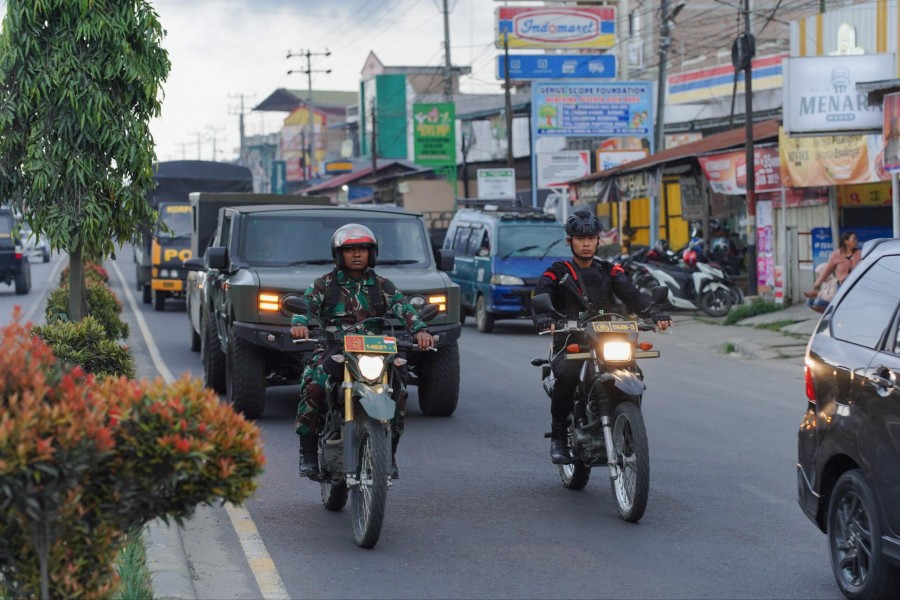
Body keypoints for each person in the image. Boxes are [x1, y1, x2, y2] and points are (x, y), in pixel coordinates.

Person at [289, 224, 434, 479]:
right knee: (314, 384)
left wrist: (420, 330)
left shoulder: (382, 284)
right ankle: (307, 452)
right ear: (339, 254)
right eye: (350, 250)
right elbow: (306, 306)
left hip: (375, 346)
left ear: (372, 253)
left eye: (363, 249)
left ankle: (389, 452)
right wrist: (299, 323)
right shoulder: (324, 283)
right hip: (334, 344)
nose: (357, 254)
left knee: (399, 385)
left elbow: (403, 307)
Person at [531, 210, 673, 464]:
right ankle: (559, 437)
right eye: (580, 238)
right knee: (568, 375)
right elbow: (542, 294)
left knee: (634, 372)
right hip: (571, 339)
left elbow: (631, 294)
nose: (586, 243)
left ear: (598, 240)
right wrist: (545, 318)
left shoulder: (610, 271)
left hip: (606, 337)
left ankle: (628, 424)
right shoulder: (558, 272)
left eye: (591, 238)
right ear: (569, 241)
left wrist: (653, 312)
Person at [807, 231, 860, 296]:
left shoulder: (859, 254)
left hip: (856, 288)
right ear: (846, 241)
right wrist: (816, 284)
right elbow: (826, 271)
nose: (856, 241)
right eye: (854, 239)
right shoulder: (836, 255)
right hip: (841, 288)